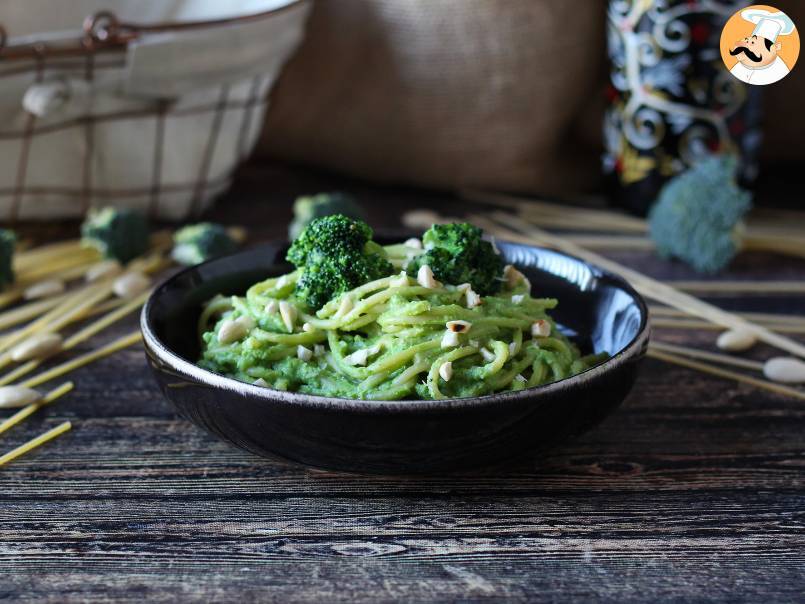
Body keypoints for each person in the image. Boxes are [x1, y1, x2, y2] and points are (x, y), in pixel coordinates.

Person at [729, 9, 795, 85]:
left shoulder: (777, 70)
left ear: (775, 47)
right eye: (748, 40)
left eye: (753, 43)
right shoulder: (740, 62)